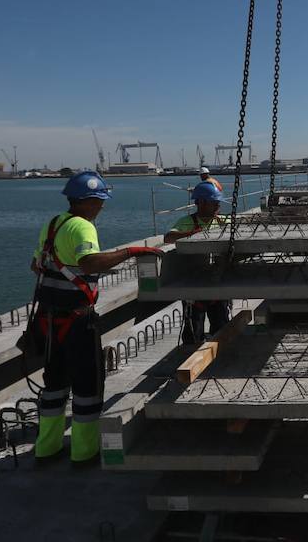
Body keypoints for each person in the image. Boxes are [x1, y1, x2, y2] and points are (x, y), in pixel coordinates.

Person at [30, 170, 157, 465]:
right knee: (87, 386)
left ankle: (46, 449)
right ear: (86, 202)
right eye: (99, 202)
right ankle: (84, 452)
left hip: (48, 320)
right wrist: (130, 252)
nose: (102, 207)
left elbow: (35, 265)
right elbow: (89, 264)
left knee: (54, 384)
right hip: (77, 321)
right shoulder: (83, 227)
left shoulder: (52, 224)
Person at [164, 180, 232, 345]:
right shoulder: (187, 222)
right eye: (214, 202)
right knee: (194, 330)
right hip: (194, 284)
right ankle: (191, 353)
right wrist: (193, 233)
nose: (217, 206)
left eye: (218, 202)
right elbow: (168, 237)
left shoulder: (222, 221)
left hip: (217, 283)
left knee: (221, 325)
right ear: (200, 203)